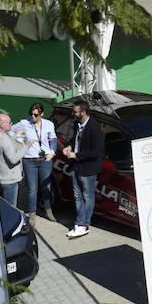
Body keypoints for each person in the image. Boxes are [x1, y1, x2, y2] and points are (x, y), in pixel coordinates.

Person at [61, 99, 102, 239]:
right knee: (77, 196)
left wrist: (76, 155)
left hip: (88, 169)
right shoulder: (76, 124)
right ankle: (79, 223)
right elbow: (75, 140)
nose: (73, 113)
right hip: (76, 166)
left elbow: (96, 152)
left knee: (87, 197)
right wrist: (69, 147)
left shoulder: (94, 128)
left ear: (83, 112)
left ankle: (84, 224)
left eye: (76, 111)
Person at [13, 103, 56, 221]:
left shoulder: (48, 124)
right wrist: (21, 140)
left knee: (46, 186)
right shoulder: (24, 123)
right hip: (29, 160)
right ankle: (32, 213)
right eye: (31, 114)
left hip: (45, 160)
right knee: (32, 188)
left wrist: (52, 152)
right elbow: (11, 131)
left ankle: (48, 211)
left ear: (42, 114)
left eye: (36, 115)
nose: (33, 116)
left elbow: (53, 139)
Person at [0, 112, 29, 208]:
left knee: (3, 206)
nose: (12, 123)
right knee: (10, 207)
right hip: (9, 180)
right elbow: (13, 159)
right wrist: (27, 146)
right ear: (2, 125)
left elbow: (5, 145)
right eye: (10, 122)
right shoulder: (3, 140)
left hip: (1, 178)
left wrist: (15, 136)